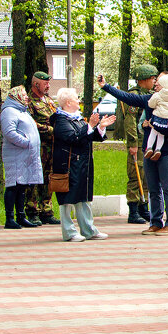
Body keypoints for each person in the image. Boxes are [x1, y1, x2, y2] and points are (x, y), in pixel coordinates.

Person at [99, 72, 168, 235]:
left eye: (158, 84)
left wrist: (160, 125)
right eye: (155, 84)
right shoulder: (150, 100)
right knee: (153, 188)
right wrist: (106, 87)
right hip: (148, 150)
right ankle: (155, 222)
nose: (155, 86)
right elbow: (126, 97)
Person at [51, 88, 114, 241]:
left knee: (83, 197)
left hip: (82, 164)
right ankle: (69, 233)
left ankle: (89, 230)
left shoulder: (77, 118)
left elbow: (88, 137)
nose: (78, 100)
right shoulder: (60, 120)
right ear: (68, 102)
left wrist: (100, 126)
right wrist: (90, 125)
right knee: (67, 199)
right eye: (76, 98)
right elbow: (73, 138)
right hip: (67, 165)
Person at [0, 85, 42, 229]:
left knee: (22, 186)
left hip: (24, 156)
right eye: (23, 94)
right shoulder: (9, 111)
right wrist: (27, 143)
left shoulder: (22, 111)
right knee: (13, 186)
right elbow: (9, 132)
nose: (26, 96)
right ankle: (9, 218)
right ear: (16, 95)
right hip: (15, 155)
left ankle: (21, 216)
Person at [120, 65, 158, 225]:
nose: (154, 81)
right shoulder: (133, 96)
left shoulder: (149, 95)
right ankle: (133, 209)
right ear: (144, 79)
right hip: (138, 140)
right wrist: (133, 143)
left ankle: (144, 207)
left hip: (147, 140)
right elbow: (129, 122)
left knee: (146, 175)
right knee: (136, 174)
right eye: (152, 78)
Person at [25, 71, 60, 225]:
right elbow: (31, 124)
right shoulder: (28, 102)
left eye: (48, 83)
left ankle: (46, 210)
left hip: (52, 146)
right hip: (38, 146)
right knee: (34, 179)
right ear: (35, 84)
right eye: (45, 83)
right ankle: (32, 210)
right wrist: (53, 130)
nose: (48, 86)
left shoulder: (48, 100)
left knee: (48, 178)